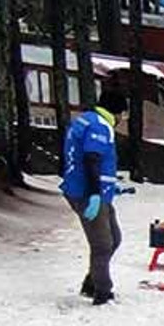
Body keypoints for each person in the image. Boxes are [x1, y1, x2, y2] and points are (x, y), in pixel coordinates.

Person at [60, 89, 127, 305]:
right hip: (87, 193)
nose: (122, 120)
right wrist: (95, 193)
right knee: (103, 244)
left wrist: (109, 185)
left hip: (95, 191)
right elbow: (91, 159)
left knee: (114, 238)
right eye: (123, 115)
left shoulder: (86, 120)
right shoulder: (99, 126)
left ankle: (92, 282)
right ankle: (102, 292)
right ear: (116, 112)